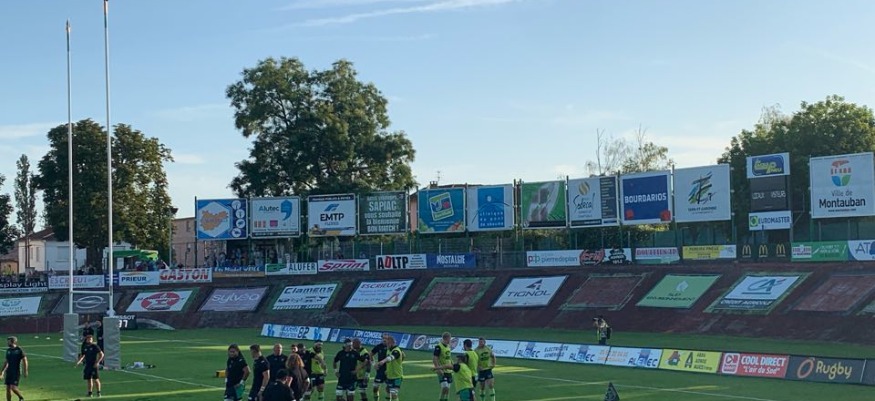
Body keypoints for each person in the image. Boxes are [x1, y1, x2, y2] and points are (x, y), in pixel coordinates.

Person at [374, 336, 403, 401]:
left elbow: (390, 358)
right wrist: (387, 370)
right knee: (388, 390)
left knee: (393, 394)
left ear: (391, 343)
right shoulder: (388, 350)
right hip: (390, 376)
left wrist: (382, 361)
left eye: (387, 344)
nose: (386, 345)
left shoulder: (396, 351)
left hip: (397, 376)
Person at [75, 334, 104, 398]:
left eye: (91, 339)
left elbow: (102, 354)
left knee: (96, 379)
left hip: (94, 365)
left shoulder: (95, 346)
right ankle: (90, 393)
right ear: (86, 340)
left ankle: (98, 393)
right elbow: (82, 355)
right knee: (89, 379)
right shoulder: (84, 346)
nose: (90, 340)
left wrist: (97, 362)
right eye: (88, 339)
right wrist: (79, 361)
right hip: (87, 365)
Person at [1, 336, 27, 401]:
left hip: (16, 372)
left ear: (13, 342)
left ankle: (21, 397)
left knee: (13, 387)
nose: (7, 343)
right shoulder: (8, 350)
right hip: (9, 371)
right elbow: (6, 362)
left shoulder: (19, 349)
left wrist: (25, 371)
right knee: (8, 388)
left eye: (8, 341)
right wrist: (2, 372)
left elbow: (25, 360)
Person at [432, 332, 453, 401]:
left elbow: (449, 357)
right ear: (447, 338)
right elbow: (435, 359)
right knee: (445, 387)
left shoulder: (448, 346)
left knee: (447, 389)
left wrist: (452, 364)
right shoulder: (438, 347)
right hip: (442, 370)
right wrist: (438, 369)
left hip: (449, 370)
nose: (450, 340)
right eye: (450, 338)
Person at [369, 333, 389, 401]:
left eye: (386, 338)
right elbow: (370, 354)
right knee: (375, 388)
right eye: (383, 338)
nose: (384, 340)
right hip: (380, 370)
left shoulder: (391, 347)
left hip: (389, 371)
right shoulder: (378, 346)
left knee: (389, 389)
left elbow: (401, 355)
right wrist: (374, 364)